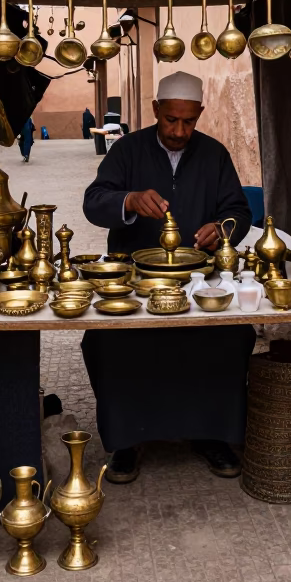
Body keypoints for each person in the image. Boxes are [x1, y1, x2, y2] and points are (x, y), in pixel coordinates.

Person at [82, 72, 252, 484]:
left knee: (231, 336)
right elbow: (93, 201)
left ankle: (211, 434)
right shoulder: (127, 151)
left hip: (197, 279)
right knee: (109, 340)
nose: (179, 131)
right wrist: (129, 200)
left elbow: (240, 211)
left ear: (199, 115)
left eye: (189, 122)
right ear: (156, 110)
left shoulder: (214, 155)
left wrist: (223, 228)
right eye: (171, 120)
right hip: (137, 279)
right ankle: (126, 441)